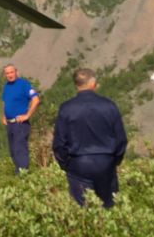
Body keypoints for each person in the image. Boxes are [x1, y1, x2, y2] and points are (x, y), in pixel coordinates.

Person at [52, 68, 128, 208]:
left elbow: (59, 143)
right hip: (106, 161)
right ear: (93, 83)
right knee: (108, 206)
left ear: (76, 85)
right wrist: (115, 161)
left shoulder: (67, 108)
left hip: (78, 163)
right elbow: (121, 139)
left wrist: (66, 165)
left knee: (82, 210)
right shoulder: (109, 106)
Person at [0, 64, 41, 174]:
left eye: (11, 72)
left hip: (20, 124)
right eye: (7, 73)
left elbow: (36, 100)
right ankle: (19, 174)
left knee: (20, 150)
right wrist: (4, 115)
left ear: (16, 72)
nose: (10, 75)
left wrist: (27, 115)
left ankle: (23, 176)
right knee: (13, 151)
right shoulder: (6, 86)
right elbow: (5, 102)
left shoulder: (23, 84)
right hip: (10, 124)